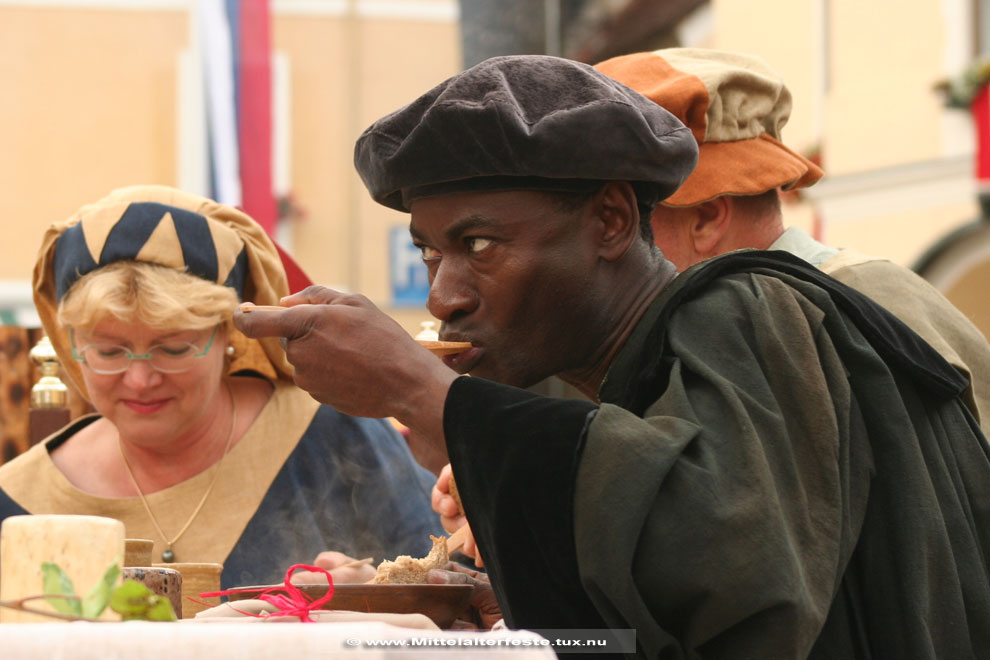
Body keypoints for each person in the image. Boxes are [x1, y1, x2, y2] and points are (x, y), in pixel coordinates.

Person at [234, 55, 990, 658]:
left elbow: (743, 590)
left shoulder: (750, 309)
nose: (444, 297)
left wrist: (423, 392)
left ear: (610, 219)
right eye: (431, 253)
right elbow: (625, 628)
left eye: (480, 244)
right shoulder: (618, 373)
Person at [0, 185, 443, 589]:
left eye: (172, 348)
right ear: (70, 344)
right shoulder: (18, 498)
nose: (139, 379)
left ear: (228, 335)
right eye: (110, 352)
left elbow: (457, 602)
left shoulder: (332, 434)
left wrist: (381, 597)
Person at [592, 47, 990, 435]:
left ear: (707, 216)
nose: (603, 243)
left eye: (618, 216)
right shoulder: (836, 303)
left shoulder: (817, 317)